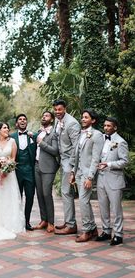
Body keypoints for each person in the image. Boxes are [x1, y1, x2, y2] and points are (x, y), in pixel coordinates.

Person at [71, 109, 103, 243]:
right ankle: (93, 228)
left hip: (87, 174)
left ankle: (86, 230)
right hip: (78, 173)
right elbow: (76, 154)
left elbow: (96, 158)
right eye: (82, 117)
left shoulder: (97, 135)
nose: (82, 119)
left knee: (83, 201)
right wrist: (73, 172)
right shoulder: (81, 134)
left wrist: (90, 177)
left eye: (86, 117)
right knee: (85, 202)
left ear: (93, 120)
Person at [96, 117, 129, 246]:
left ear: (115, 127)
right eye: (104, 125)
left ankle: (119, 234)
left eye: (109, 126)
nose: (106, 128)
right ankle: (106, 231)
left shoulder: (121, 142)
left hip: (114, 179)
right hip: (101, 178)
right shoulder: (102, 140)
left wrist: (109, 164)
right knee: (103, 207)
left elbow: (124, 161)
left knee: (116, 209)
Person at [53, 99, 81, 235]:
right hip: (62, 160)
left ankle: (71, 225)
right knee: (65, 193)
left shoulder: (72, 123)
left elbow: (77, 147)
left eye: (60, 109)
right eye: (56, 109)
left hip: (69, 162)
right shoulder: (57, 121)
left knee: (66, 192)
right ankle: (68, 220)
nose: (57, 112)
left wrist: (72, 168)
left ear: (65, 108)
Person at [11, 114, 37, 231]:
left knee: (30, 196)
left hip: (30, 171)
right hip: (16, 171)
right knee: (17, 197)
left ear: (27, 122)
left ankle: (27, 221)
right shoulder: (11, 137)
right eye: (20, 120)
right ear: (17, 123)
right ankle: (17, 221)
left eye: (24, 119)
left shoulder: (34, 136)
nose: (22, 121)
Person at [34, 111, 59, 233]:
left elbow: (55, 151)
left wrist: (41, 143)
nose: (44, 117)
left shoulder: (54, 133)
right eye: (43, 115)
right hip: (37, 166)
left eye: (47, 116)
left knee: (46, 194)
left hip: (48, 168)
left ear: (52, 120)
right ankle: (43, 219)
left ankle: (51, 222)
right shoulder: (39, 132)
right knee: (39, 194)